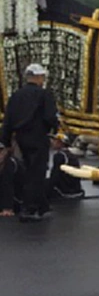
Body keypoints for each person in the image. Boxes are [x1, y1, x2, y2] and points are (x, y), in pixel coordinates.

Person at [0, 62, 59, 222]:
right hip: (38, 136)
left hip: (21, 138)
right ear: (38, 77)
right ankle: (29, 209)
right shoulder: (44, 94)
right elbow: (50, 117)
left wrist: (5, 142)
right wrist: (55, 130)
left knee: (29, 169)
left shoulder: (16, 96)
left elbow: (8, 120)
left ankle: (42, 205)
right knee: (37, 172)